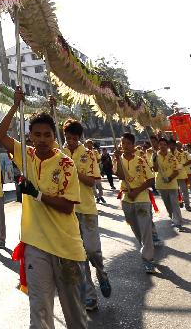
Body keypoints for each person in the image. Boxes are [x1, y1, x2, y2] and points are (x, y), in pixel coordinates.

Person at [0, 89, 87, 329]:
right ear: (30, 136)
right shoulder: (25, 155)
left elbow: (67, 207)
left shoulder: (66, 164)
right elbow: (0, 134)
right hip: (35, 245)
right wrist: (15, 106)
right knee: (40, 308)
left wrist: (36, 194)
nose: (43, 139)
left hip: (65, 246)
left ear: (54, 137)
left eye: (48, 134)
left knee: (73, 311)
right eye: (38, 135)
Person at [62, 119, 111, 313]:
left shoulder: (88, 154)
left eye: (74, 138)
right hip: (68, 211)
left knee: (92, 251)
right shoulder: (59, 153)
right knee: (79, 256)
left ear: (80, 137)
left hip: (88, 209)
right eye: (68, 137)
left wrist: (74, 169)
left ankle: (102, 272)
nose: (71, 141)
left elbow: (92, 182)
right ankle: (90, 296)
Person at [114, 132, 156, 273]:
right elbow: (119, 175)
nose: (124, 146)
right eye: (123, 143)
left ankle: (148, 259)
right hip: (126, 199)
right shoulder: (118, 159)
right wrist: (117, 159)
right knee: (136, 230)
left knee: (145, 231)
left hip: (142, 199)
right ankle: (145, 249)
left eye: (128, 143)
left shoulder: (140, 160)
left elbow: (150, 180)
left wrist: (137, 191)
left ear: (133, 145)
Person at [153, 139, 183, 232]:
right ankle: (172, 217)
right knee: (168, 204)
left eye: (164, 144)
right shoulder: (155, 156)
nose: (162, 146)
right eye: (160, 144)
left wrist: (169, 178)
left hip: (172, 183)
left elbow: (177, 171)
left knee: (175, 203)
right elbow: (156, 170)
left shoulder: (172, 157)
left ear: (167, 146)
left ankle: (178, 222)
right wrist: (154, 160)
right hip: (161, 184)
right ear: (158, 146)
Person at [175, 142, 191, 211]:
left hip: (187, 173)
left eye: (180, 145)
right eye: (178, 145)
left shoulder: (185, 153)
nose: (179, 146)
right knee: (180, 190)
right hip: (178, 175)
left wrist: (182, 165)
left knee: (190, 187)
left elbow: (190, 161)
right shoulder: (173, 154)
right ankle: (181, 201)